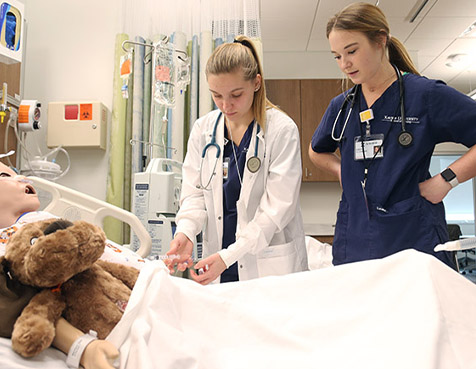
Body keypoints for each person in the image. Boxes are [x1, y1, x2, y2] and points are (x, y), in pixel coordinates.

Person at [309, 2, 476, 269]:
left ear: (380, 41)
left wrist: (446, 180)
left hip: (412, 237)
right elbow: (316, 150)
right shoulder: (343, 105)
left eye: (351, 51)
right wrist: (343, 171)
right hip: (354, 239)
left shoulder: (425, 96)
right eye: (337, 56)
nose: (344, 64)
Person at [0, 150, 120, 369]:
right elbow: (16, 303)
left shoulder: (39, 220)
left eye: (15, 172)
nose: (20, 178)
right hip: (123, 314)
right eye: (5, 176)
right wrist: (82, 347)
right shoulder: (4, 242)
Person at [167, 35, 308, 284]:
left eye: (235, 94)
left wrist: (228, 255)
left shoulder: (281, 130)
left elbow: (275, 212)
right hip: (218, 263)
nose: (226, 105)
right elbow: (194, 195)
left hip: (266, 263)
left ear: (256, 83)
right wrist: (186, 232)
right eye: (217, 96)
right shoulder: (204, 130)